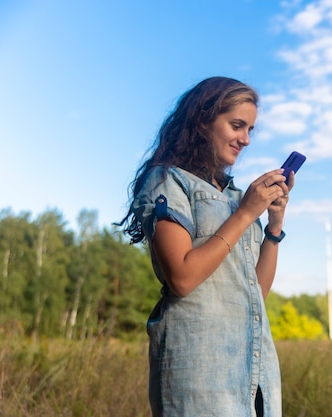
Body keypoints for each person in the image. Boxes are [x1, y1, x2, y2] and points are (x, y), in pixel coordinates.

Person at [118, 76, 293, 417]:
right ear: (202, 121)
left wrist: (273, 225)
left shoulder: (234, 197)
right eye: (237, 125)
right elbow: (181, 278)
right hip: (200, 373)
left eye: (250, 130)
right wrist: (245, 214)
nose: (245, 139)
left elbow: (255, 291)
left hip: (255, 373)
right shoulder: (168, 180)